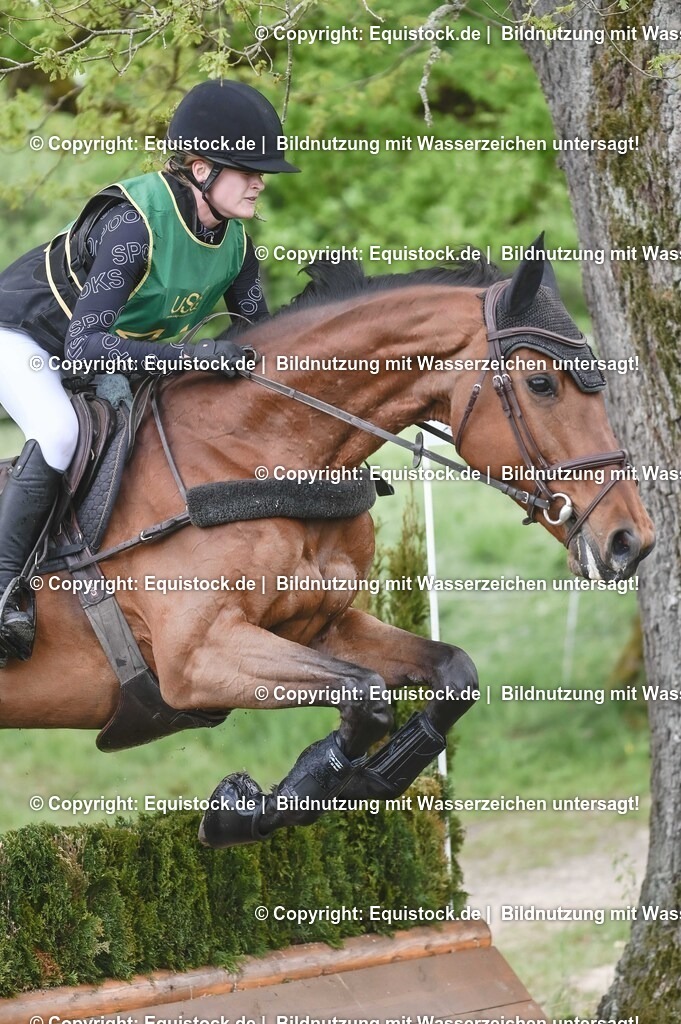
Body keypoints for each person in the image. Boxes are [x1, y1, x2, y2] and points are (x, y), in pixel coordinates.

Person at [0, 79, 299, 663]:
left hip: (105, 351)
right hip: (24, 335)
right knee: (60, 432)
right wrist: (196, 357)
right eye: (248, 169)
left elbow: (256, 344)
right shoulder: (135, 225)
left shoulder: (235, 245)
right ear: (201, 168)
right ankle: (2, 587)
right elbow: (87, 350)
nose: (261, 181)